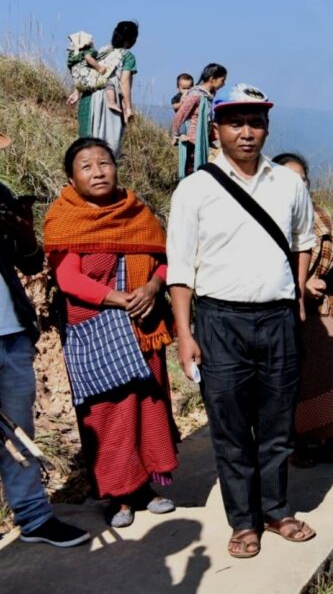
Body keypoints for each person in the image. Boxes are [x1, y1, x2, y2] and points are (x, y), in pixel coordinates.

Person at [167, 83, 317, 560]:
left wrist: (296, 295)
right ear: (217, 130)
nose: (247, 132)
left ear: (267, 128)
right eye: (236, 123)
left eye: (255, 122)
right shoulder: (194, 189)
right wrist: (185, 334)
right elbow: (181, 269)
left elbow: (304, 240)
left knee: (277, 425)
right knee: (230, 427)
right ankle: (244, 522)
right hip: (220, 320)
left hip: (277, 319)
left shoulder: (288, 184)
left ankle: (276, 510)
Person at [43, 137, 179, 528]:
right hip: (96, 332)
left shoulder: (137, 212)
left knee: (148, 407)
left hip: (143, 329)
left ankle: (147, 488)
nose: (98, 171)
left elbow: (165, 260)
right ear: (71, 177)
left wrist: (153, 287)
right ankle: (118, 496)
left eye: (104, 163)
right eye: (86, 166)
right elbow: (67, 278)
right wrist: (116, 298)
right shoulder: (65, 218)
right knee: (108, 414)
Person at [0, 132, 90, 547]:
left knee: (20, 431)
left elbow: (31, 262)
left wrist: (24, 236)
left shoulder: (0, 193)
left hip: (12, 333)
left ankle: (34, 517)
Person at [271, 153, 333, 467]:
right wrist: (300, 285)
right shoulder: (268, 220)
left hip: (325, 306)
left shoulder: (321, 216)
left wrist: (318, 280)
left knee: (331, 374)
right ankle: (299, 442)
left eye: (301, 178)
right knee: (297, 379)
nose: (296, 184)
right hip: (283, 311)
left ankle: (330, 435)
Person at [71, 20, 140, 158]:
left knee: (85, 144)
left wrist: (76, 91)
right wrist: (128, 108)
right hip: (109, 101)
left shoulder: (101, 51)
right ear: (131, 39)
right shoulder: (127, 56)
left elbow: (86, 73)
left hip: (88, 98)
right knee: (108, 145)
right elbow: (124, 82)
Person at [169, 63, 228, 179]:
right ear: (212, 79)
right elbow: (181, 115)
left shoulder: (209, 95)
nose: (224, 83)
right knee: (191, 173)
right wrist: (176, 135)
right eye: (222, 80)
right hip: (191, 141)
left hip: (201, 139)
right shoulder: (196, 95)